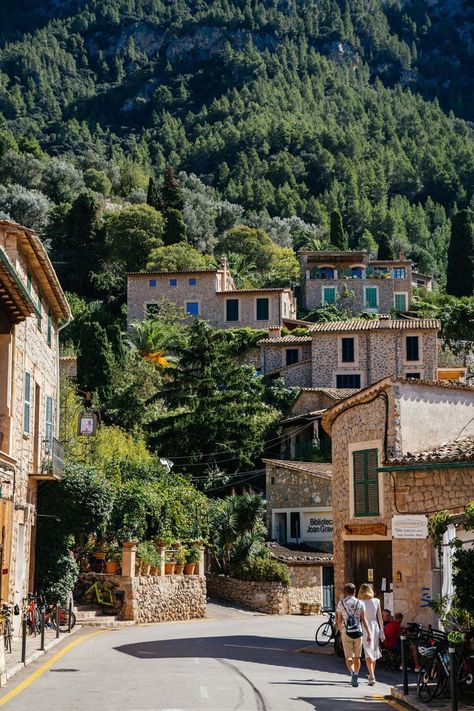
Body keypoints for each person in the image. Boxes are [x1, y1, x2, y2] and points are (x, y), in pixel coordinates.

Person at [336, 582, 371, 688]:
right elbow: (364, 619)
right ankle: (356, 673)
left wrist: (340, 629)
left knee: (348, 657)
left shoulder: (341, 603)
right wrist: (369, 633)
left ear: (345, 592)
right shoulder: (360, 603)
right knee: (357, 657)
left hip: (346, 632)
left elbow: (339, 620)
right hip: (358, 632)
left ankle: (352, 673)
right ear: (355, 591)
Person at [358, 584, 384, 686]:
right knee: (374, 649)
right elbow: (380, 618)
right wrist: (382, 630)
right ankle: (372, 674)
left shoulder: (360, 602)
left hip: (365, 626)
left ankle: (372, 675)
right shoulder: (376, 601)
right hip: (375, 626)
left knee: (368, 650)